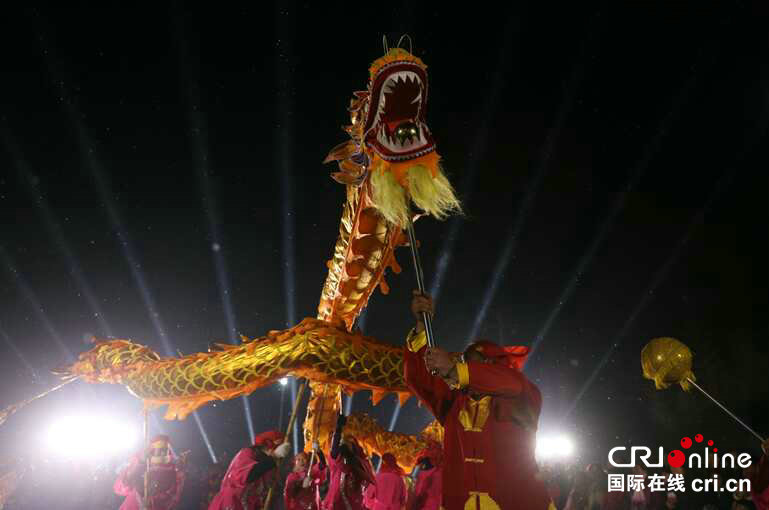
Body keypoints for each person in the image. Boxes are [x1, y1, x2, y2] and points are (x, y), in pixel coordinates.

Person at [404, 290, 552, 510]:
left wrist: (455, 370)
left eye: (473, 364)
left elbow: (506, 381)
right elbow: (418, 379)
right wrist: (421, 328)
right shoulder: (454, 404)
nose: (465, 368)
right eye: (464, 362)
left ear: (495, 365)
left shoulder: (522, 395)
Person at [208, 430, 291, 510]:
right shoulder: (247, 453)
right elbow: (248, 476)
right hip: (231, 502)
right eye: (276, 447)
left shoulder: (269, 466)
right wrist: (274, 456)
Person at [114, 434, 187, 510]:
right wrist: (139, 464)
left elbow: (173, 501)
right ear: (152, 450)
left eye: (165, 450)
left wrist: (152, 499)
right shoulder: (141, 465)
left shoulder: (172, 473)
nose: (163, 453)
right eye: (160, 449)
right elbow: (120, 488)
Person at [323, 414, 376, 510]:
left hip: (354, 504)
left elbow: (369, 479)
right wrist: (338, 430)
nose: (344, 444)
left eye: (348, 443)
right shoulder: (337, 461)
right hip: (336, 504)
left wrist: (353, 459)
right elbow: (334, 452)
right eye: (343, 443)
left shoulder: (362, 462)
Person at [284, 446, 328, 510]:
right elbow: (290, 493)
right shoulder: (291, 477)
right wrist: (302, 485)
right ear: (294, 462)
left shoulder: (311, 471)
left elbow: (322, 465)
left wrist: (319, 452)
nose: (302, 461)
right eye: (298, 459)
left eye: (304, 459)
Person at [413, 442, 442, 510]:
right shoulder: (421, 468)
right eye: (430, 448)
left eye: (434, 448)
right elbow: (416, 491)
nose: (431, 450)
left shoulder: (443, 469)